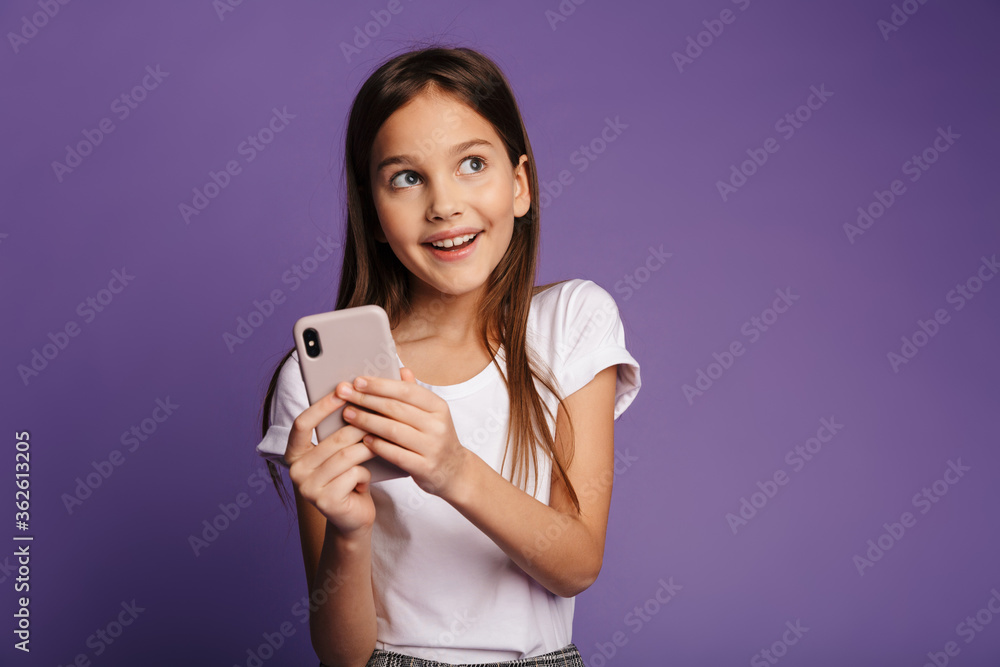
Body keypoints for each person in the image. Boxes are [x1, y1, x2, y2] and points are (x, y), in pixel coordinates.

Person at [254, 44, 641, 667]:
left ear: (519, 185)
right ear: (373, 213)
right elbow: (342, 656)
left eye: (472, 164)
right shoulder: (316, 379)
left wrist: (453, 468)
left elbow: (576, 564)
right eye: (406, 178)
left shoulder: (570, 321)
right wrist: (349, 534)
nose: (443, 204)